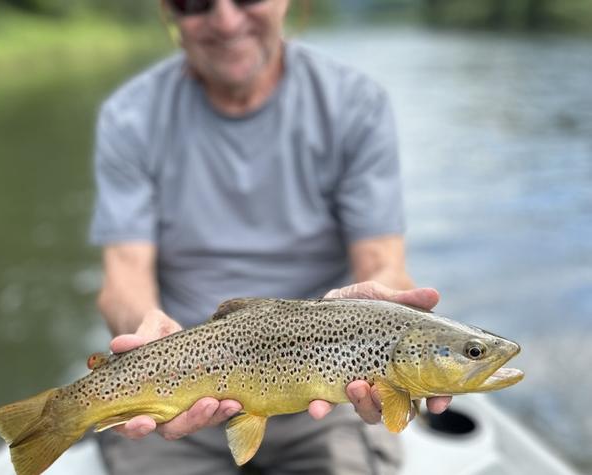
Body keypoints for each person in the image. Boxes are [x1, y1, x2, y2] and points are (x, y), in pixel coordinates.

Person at [89, 0, 451, 473]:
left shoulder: (355, 104)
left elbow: (382, 261)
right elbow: (124, 277)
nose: (225, 20)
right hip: (175, 381)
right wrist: (145, 332)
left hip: (325, 393)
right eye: (196, 2)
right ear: (168, 11)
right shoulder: (130, 115)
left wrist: (381, 315)